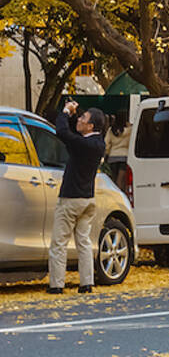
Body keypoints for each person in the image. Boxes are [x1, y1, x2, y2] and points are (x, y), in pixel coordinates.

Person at [48, 102, 106, 294]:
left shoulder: (83, 145)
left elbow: (63, 132)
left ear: (91, 126)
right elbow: (73, 132)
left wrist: (65, 112)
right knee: (84, 242)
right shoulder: (98, 143)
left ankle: (57, 284)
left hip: (70, 199)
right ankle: (86, 283)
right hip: (88, 199)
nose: (80, 119)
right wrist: (73, 115)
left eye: (83, 118)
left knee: (59, 243)